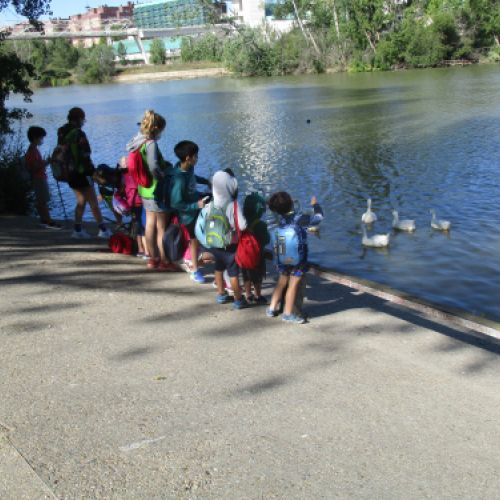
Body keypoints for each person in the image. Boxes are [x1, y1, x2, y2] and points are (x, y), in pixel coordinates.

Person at [126, 110, 174, 270]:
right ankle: (165, 261)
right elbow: (153, 167)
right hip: (155, 189)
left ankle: (152, 259)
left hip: (144, 189)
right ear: (156, 128)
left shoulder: (136, 141)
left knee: (149, 224)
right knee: (161, 227)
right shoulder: (150, 143)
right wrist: (163, 176)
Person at [266, 192, 323, 324]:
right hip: (298, 261)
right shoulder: (300, 218)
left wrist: (290, 203)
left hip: (282, 257)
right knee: (293, 285)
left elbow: (284, 209)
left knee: (281, 282)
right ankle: (288, 313)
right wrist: (315, 205)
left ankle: (272, 308)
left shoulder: (279, 219)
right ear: (291, 204)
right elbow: (319, 217)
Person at [195, 170, 248, 309]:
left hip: (214, 244)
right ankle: (238, 299)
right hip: (230, 246)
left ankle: (221, 294)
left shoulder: (211, 204)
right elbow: (242, 226)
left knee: (218, 269)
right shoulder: (233, 205)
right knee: (233, 274)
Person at [57, 107, 110, 239]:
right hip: (82, 172)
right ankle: (103, 230)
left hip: (68, 172)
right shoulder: (79, 134)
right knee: (93, 202)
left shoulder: (61, 132)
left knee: (81, 200)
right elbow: (86, 153)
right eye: (83, 119)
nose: (83, 122)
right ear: (79, 119)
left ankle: (77, 230)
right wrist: (93, 172)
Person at [170, 140, 210, 283]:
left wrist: (206, 181)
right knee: (194, 240)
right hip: (187, 215)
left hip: (195, 206)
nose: (197, 158)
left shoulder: (189, 169)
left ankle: (190, 258)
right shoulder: (179, 179)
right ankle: (194, 270)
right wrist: (195, 205)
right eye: (196, 156)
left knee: (197, 238)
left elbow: (193, 178)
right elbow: (176, 203)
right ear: (188, 157)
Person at [24, 126, 61, 230]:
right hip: (39, 178)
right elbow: (34, 167)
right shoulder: (32, 151)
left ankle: (44, 220)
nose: (42, 140)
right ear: (35, 138)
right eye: (41, 138)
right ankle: (49, 221)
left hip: (39, 177)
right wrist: (47, 162)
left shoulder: (33, 149)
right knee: (43, 201)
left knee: (41, 200)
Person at [242, 192, 270, 304]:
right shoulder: (261, 225)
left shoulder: (242, 222)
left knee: (246, 276)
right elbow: (266, 240)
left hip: (244, 255)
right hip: (257, 255)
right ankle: (257, 295)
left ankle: (248, 294)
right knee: (258, 277)